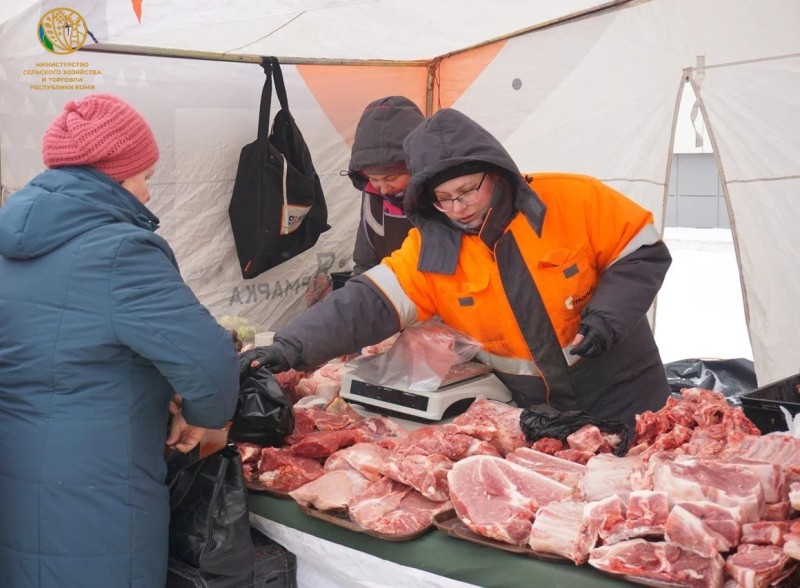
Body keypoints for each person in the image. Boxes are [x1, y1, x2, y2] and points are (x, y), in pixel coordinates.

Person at [241, 107, 672, 430]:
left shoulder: (573, 199)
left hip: (625, 389)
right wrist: (290, 347)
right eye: (442, 199)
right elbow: (366, 302)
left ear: (497, 172)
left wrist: (609, 318)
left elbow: (641, 252)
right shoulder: (430, 247)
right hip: (534, 409)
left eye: (467, 191)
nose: (458, 208)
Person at [0, 94, 239, 587]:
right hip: (98, 486)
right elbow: (210, 362)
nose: (147, 194)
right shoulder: (120, 250)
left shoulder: (9, 242)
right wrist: (200, 417)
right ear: (112, 174)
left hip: (16, 469)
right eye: (143, 176)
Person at [346, 95, 424, 275]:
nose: (383, 188)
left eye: (391, 178)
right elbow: (365, 265)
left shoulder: (445, 200)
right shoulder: (372, 196)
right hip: (390, 295)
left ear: (415, 166)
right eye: (373, 178)